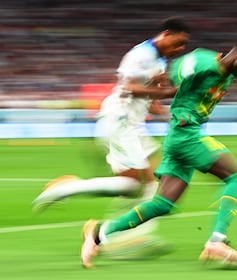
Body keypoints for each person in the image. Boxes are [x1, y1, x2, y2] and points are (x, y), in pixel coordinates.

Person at [80, 40, 237, 269]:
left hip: (180, 137)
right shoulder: (204, 61)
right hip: (187, 134)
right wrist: (167, 80)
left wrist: (169, 90)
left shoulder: (227, 74)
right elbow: (180, 69)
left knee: (162, 204)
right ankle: (217, 241)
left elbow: (183, 88)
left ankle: (97, 235)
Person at [32, 17, 190, 213]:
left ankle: (126, 233)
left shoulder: (161, 62)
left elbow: (152, 103)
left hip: (133, 125)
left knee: (150, 180)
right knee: (133, 186)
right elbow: (127, 87)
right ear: (166, 34)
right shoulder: (141, 54)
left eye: (183, 45)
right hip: (120, 120)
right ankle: (68, 190)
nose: (180, 49)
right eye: (178, 43)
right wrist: (168, 91)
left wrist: (174, 117)